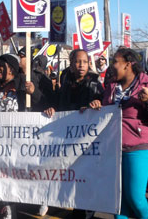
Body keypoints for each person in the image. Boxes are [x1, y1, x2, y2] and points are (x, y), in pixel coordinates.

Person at [98, 48, 148, 219]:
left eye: (115, 62)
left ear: (128, 64)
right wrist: (94, 107)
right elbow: (105, 112)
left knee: (135, 198)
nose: (112, 66)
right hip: (113, 149)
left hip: (138, 149)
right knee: (119, 201)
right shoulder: (111, 85)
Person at [44, 49, 104, 219]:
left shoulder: (95, 83)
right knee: (71, 178)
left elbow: (105, 104)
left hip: (87, 142)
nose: (81, 66)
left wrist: (98, 103)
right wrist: (52, 108)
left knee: (86, 179)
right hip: (67, 140)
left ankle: (86, 214)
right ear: (71, 65)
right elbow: (57, 103)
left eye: (85, 62)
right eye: (78, 62)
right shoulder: (65, 83)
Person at [0, 53, 37, 219]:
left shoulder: (21, 83)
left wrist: (33, 93)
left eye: (1, 66)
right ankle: (7, 207)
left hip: (18, 139)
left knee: (17, 174)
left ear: (11, 69)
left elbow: (39, 103)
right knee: (3, 173)